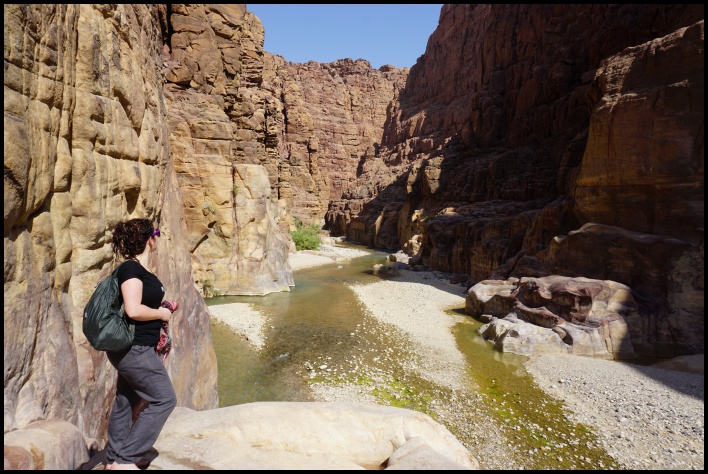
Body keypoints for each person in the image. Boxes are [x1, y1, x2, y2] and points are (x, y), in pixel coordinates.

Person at [105, 218, 177, 470]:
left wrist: (160, 308)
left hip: (134, 348)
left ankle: (114, 456)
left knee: (126, 400)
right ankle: (125, 461)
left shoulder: (138, 271)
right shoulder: (131, 269)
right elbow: (133, 310)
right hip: (134, 348)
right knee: (164, 399)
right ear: (150, 239)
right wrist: (161, 314)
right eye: (156, 234)